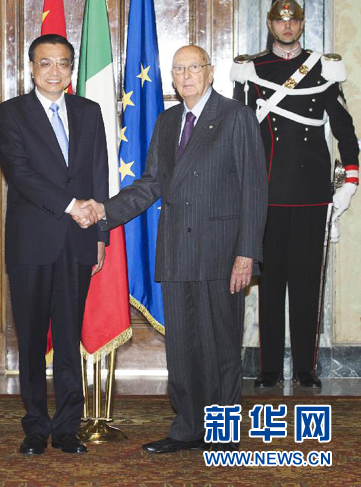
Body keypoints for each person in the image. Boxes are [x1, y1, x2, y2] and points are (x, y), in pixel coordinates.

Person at [79, 44, 267, 453]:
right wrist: (103, 212)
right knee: (183, 350)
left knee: (220, 349)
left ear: (210, 72)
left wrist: (247, 253)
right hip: (177, 252)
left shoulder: (235, 117)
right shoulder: (167, 122)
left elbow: (254, 189)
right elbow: (150, 184)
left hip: (222, 255)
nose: (186, 76)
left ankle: (222, 432)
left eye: (193, 67)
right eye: (179, 70)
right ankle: (186, 428)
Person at [231, 0, 359, 389]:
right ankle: (269, 368)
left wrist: (350, 181)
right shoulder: (252, 70)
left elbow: (345, 132)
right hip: (266, 194)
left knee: (306, 285)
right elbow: (239, 135)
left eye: (294, 19)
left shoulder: (323, 67)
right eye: (280, 19)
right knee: (269, 286)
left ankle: (306, 367)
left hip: (311, 194)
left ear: (301, 24)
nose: (287, 25)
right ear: (270, 24)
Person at [0, 33, 108, 456]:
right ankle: (35, 426)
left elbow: (99, 173)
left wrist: (100, 234)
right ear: (31, 68)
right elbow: (20, 174)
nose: (54, 71)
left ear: (71, 69)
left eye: (62, 63)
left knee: (68, 336)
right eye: (46, 63)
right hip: (32, 243)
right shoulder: (10, 113)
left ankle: (66, 428)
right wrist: (71, 205)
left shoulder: (89, 111)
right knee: (31, 337)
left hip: (79, 241)